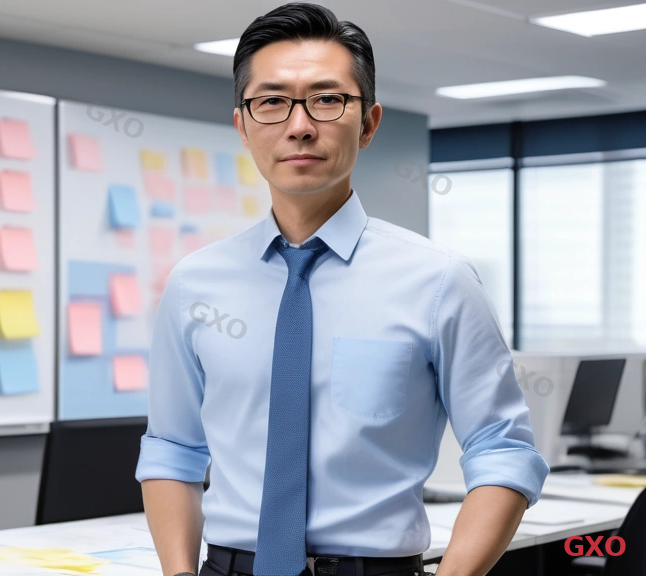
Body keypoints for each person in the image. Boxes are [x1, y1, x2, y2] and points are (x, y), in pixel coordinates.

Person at [134, 4, 549, 576]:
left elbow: (503, 451)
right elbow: (172, 449)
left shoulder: (439, 281)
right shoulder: (195, 283)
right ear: (243, 126)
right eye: (272, 102)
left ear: (369, 123)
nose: (299, 126)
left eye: (327, 100)